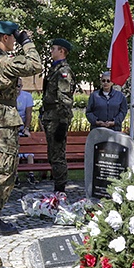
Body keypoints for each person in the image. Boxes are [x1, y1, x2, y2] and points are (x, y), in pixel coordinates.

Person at [0, 20, 42, 234]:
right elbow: (35, 65)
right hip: (3, 120)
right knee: (3, 169)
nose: (15, 41)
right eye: (13, 37)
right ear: (5, 38)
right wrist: (28, 42)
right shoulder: (4, 61)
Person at [42, 38, 76, 192]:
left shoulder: (63, 71)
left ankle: (60, 190)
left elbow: (65, 98)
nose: (51, 51)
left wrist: (63, 122)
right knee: (53, 154)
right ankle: (58, 187)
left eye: (53, 48)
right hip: (51, 116)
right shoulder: (54, 69)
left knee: (57, 156)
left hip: (57, 117)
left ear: (62, 51)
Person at [15, 78, 36, 185]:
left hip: (23, 127)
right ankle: (16, 175)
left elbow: (28, 114)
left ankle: (31, 174)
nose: (17, 88)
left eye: (19, 86)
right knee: (16, 153)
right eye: (15, 86)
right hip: (12, 128)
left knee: (29, 152)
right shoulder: (8, 96)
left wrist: (26, 128)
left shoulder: (27, 96)